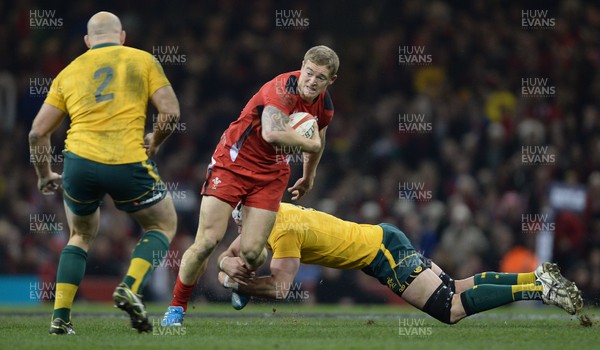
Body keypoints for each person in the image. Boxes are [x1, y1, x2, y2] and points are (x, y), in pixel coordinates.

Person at [161, 46, 338, 326]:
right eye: (309, 73)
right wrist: (310, 143)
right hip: (232, 162)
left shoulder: (324, 104)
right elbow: (273, 133)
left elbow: (321, 137)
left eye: (320, 77)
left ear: (331, 80)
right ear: (301, 66)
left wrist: (309, 175)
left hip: (271, 173)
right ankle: (176, 307)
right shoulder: (281, 89)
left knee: (254, 255)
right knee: (207, 240)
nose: (312, 81)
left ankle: (235, 279)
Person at [28, 11, 180, 334]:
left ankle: (60, 317)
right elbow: (170, 112)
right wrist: (154, 142)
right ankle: (129, 286)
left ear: (87, 41)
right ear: (122, 36)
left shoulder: (68, 72)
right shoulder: (143, 61)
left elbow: (37, 133)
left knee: (80, 235)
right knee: (163, 224)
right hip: (126, 159)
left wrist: (44, 175)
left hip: (79, 163)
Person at [211, 202, 583, 324]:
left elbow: (279, 287)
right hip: (382, 241)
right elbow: (228, 256)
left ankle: (537, 287)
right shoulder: (270, 215)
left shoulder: (283, 230)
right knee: (455, 288)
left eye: (241, 221)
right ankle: (533, 277)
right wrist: (230, 271)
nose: (240, 229)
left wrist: (239, 285)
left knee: (448, 309)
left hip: (381, 253)